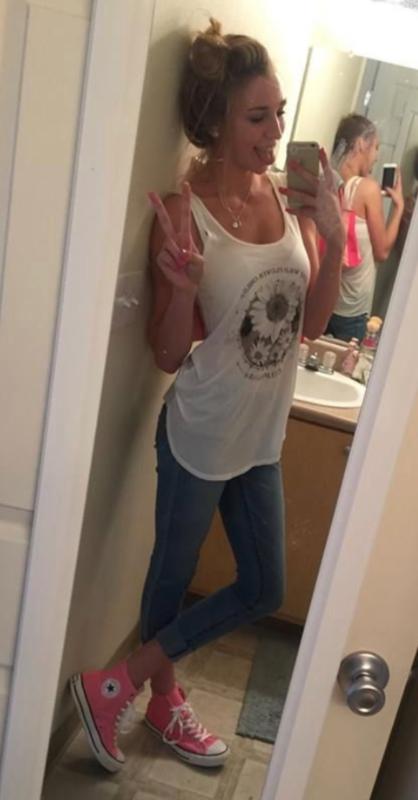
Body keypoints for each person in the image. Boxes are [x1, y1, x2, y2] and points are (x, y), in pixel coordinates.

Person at [70, 18, 345, 774]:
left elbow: (311, 325)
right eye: (258, 117)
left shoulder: (286, 199)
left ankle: (115, 683)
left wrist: (331, 235)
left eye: (279, 114)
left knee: (263, 585)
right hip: (197, 433)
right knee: (169, 582)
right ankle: (159, 702)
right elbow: (166, 354)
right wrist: (184, 288)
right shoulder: (184, 211)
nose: (276, 131)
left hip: (260, 440)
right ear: (218, 123)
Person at [325, 113, 404, 342]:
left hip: (323, 299)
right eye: (376, 147)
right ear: (361, 144)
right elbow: (382, 251)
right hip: (351, 311)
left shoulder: (328, 180)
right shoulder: (367, 188)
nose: (377, 156)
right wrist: (398, 207)